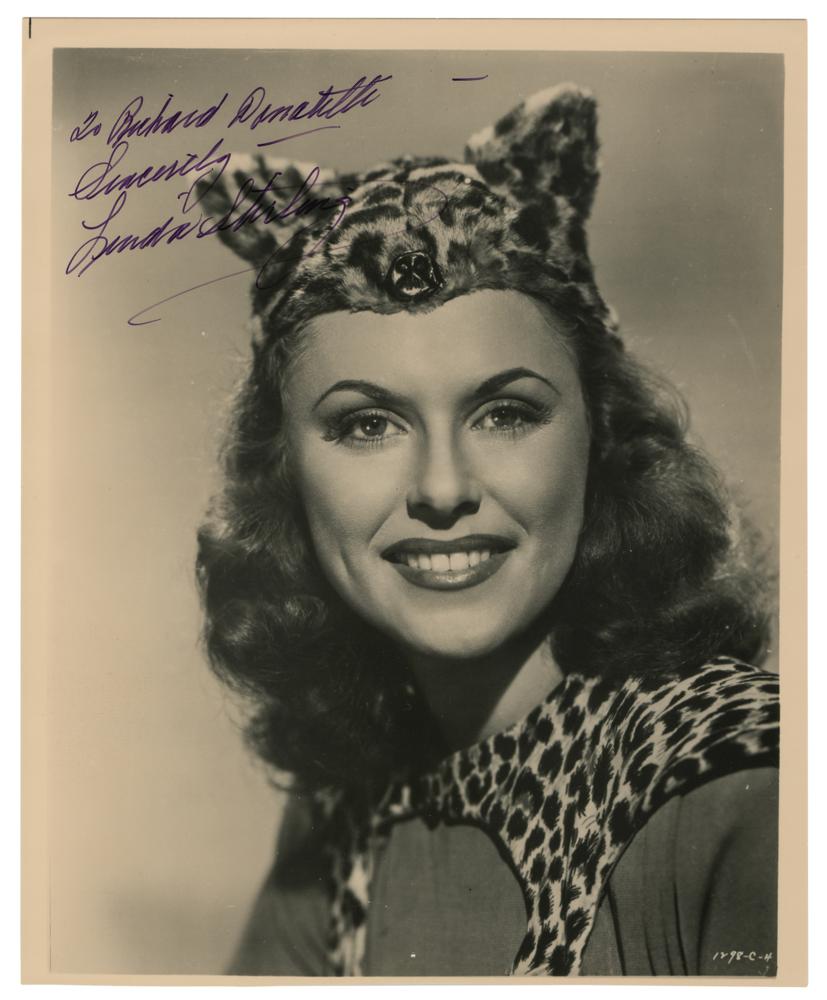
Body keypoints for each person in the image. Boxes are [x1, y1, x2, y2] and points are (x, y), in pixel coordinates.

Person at [195, 83, 779, 977]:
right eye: (366, 424)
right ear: (284, 475)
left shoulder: (749, 784)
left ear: (603, 437)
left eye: (505, 414)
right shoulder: (343, 812)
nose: (443, 488)